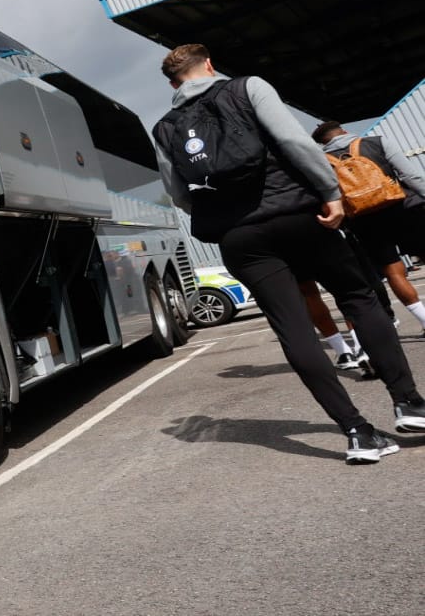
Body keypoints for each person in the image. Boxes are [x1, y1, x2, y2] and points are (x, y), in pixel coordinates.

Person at [152, 44, 425, 463]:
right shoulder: (247, 88)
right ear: (209, 65)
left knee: (292, 327)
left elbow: (179, 195)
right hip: (299, 216)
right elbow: (294, 143)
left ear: (173, 83)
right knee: (358, 296)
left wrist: (227, 215)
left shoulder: (166, 128)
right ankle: (408, 403)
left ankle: (357, 433)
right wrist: (330, 193)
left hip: (239, 238)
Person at [312, 120, 425, 335]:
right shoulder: (377, 142)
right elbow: (411, 175)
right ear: (344, 131)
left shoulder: (320, 161)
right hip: (403, 208)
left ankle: (423, 318)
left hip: (363, 220)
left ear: (321, 143)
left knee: (393, 271)